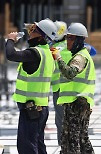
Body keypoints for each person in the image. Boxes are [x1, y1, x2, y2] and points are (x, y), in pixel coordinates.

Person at [5, 18, 57, 154]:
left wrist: (10, 40)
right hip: (40, 108)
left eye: (33, 30)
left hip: (31, 110)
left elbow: (11, 54)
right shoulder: (47, 53)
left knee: (27, 146)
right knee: (38, 144)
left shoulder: (35, 53)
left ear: (41, 36)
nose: (30, 32)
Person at [53, 22, 95, 154]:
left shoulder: (80, 57)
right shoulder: (80, 55)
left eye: (71, 38)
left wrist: (58, 58)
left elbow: (70, 73)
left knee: (72, 139)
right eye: (67, 38)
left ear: (78, 40)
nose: (67, 42)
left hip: (77, 104)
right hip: (79, 103)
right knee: (82, 139)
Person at [51, 21, 72, 146]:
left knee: (60, 119)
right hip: (71, 87)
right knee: (72, 118)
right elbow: (93, 51)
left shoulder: (52, 48)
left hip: (58, 89)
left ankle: (62, 144)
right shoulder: (71, 45)